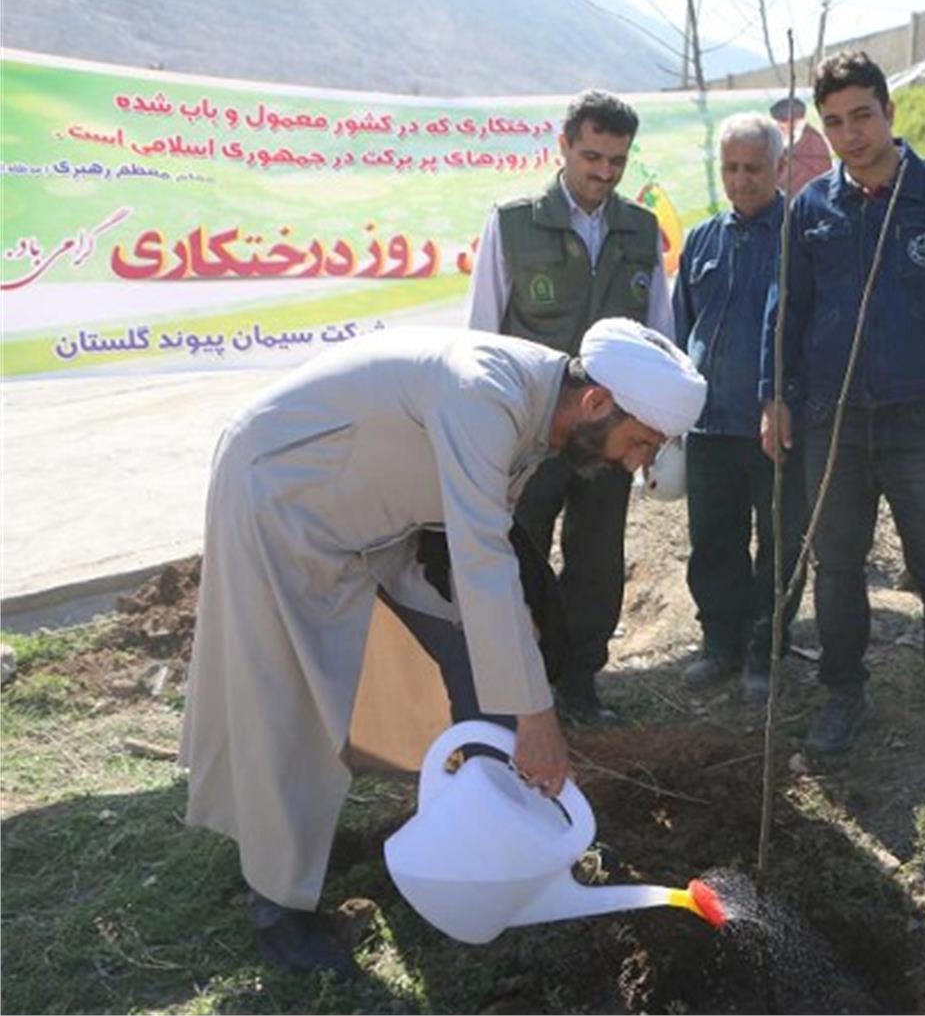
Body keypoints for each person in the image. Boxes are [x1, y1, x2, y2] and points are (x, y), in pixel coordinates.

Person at [179, 319, 705, 977]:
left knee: (466, 657)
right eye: (639, 442)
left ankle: (465, 837)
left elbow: (480, 549)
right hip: (286, 495)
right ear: (597, 401)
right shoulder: (484, 393)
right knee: (289, 695)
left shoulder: (544, 406)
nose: (635, 463)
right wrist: (537, 720)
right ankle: (278, 904)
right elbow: (483, 563)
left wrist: (526, 675)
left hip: (379, 516)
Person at [761, 51, 925, 782]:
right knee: (836, 568)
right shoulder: (812, 207)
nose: (850, 135)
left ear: (890, 112)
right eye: (834, 122)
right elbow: (787, 311)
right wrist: (773, 394)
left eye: (862, 116)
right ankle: (843, 693)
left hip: (922, 422)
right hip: (830, 421)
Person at [466, 89, 672, 723]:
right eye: (592, 157)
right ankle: (517, 686)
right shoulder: (513, 224)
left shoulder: (639, 230)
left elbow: (660, 332)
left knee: (597, 560)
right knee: (518, 553)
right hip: (534, 434)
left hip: (610, 439)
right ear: (562, 147)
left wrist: (657, 434)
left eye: (617, 159)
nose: (604, 173)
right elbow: (478, 338)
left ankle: (580, 684)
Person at [673, 113, 807, 703]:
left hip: (775, 427)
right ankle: (719, 644)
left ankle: (765, 651)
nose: (742, 180)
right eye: (731, 168)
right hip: (708, 425)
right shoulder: (703, 240)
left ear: (780, 169)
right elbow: (681, 331)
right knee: (713, 541)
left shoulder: (799, 236)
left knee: (778, 542)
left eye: (754, 168)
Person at [769, 96, 832, 193]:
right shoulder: (792, 137)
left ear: (794, 121)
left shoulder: (813, 142)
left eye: (781, 124)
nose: (779, 127)